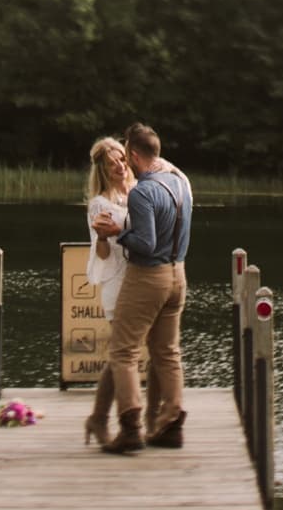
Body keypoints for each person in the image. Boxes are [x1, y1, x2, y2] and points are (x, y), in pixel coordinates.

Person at [90, 121, 193, 453]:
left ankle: (131, 428)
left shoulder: (143, 191)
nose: (124, 164)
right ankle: (171, 424)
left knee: (123, 351)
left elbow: (145, 244)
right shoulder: (180, 182)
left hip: (149, 276)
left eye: (126, 154)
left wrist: (118, 233)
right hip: (178, 272)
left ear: (133, 154)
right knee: (167, 352)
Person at [82, 135, 134, 446]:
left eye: (122, 159)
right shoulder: (99, 204)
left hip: (142, 279)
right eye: (112, 161)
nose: (119, 165)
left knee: (120, 353)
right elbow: (101, 254)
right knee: (120, 353)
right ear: (103, 169)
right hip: (117, 281)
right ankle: (100, 419)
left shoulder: (137, 194)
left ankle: (99, 418)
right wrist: (102, 238)